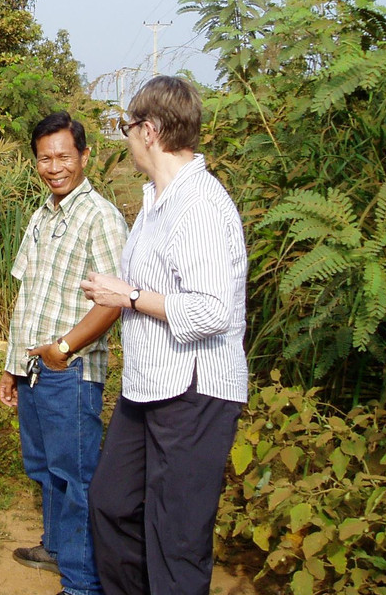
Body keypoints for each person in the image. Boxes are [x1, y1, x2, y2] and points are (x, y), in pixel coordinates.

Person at [79, 75, 248, 595]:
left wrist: (127, 297)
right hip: (151, 385)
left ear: (149, 130)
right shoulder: (157, 199)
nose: (125, 138)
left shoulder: (199, 206)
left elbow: (211, 312)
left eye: (127, 127)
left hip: (195, 391)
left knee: (176, 538)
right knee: (112, 504)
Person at [0, 111, 129, 595]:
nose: (54, 167)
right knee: (43, 468)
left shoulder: (101, 218)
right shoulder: (42, 215)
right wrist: (12, 366)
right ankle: (56, 548)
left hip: (70, 371)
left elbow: (114, 299)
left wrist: (62, 349)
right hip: (34, 369)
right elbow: (27, 296)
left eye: (64, 157)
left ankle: (82, 583)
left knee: (76, 477)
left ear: (84, 156)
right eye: (45, 158)